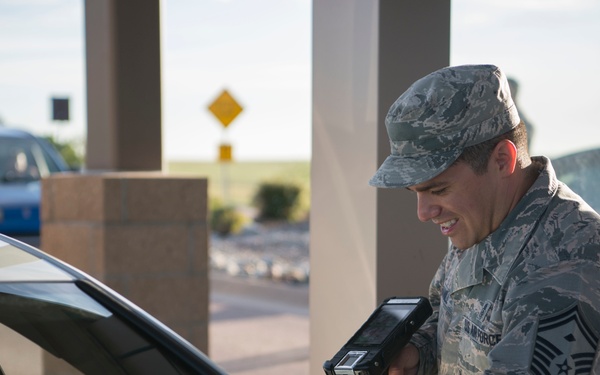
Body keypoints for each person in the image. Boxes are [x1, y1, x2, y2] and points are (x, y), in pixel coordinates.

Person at [369, 64, 600, 374]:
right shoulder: (485, 218)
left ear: (502, 160)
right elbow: (448, 320)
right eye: (416, 192)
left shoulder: (565, 263)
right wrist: (414, 356)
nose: (423, 213)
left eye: (438, 189)